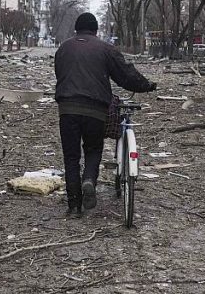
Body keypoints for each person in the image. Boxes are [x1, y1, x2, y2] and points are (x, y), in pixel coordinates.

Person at [54, 12, 157, 218]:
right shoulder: (105, 49)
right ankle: (89, 179)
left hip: (67, 108)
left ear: (77, 28)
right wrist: (146, 85)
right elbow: (125, 75)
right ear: (95, 29)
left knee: (71, 156)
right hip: (95, 109)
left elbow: (60, 73)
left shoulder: (63, 48)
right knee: (93, 149)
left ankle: (74, 205)